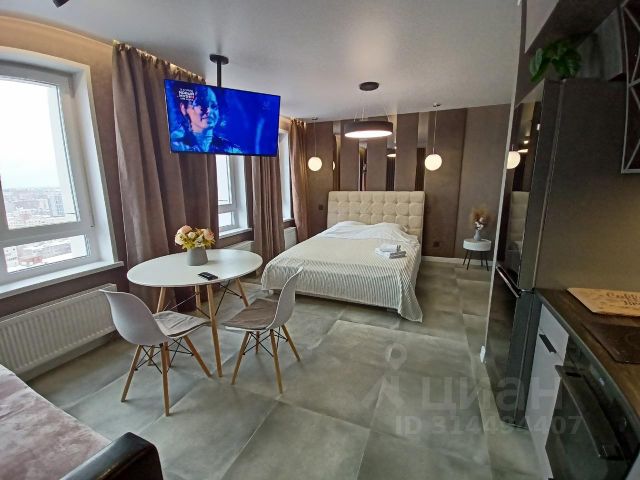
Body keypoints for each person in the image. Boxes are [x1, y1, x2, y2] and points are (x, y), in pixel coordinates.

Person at [169, 83, 241, 154]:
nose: (209, 111)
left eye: (213, 106)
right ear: (184, 109)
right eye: (201, 104)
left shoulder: (230, 149)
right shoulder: (175, 144)